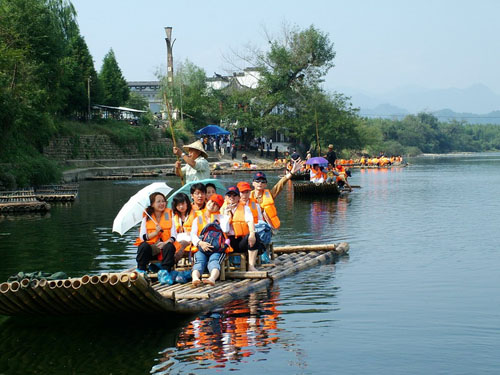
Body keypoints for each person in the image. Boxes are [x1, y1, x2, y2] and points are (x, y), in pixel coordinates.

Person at [190, 194, 228, 286]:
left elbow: (226, 230)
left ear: (219, 207)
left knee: (214, 262)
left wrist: (226, 215)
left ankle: (212, 278)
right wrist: (200, 243)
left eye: (216, 204)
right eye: (211, 201)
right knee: (199, 262)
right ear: (207, 201)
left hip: (217, 249)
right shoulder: (198, 218)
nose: (212, 205)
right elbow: (193, 234)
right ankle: (195, 278)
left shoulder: (223, 218)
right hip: (201, 248)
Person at [134, 192, 177, 274]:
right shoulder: (146, 216)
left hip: (165, 248)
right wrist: (156, 233)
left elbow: (174, 236)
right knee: (143, 246)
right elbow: (142, 237)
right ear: (152, 204)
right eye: (158, 201)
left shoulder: (170, 214)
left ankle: (165, 272)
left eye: (163, 201)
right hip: (152, 248)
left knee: (169, 246)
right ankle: (141, 270)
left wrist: (164, 243)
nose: (162, 204)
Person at [222, 186, 262, 271]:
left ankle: (251, 266)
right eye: (229, 196)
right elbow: (224, 230)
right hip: (227, 241)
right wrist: (226, 214)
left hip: (240, 241)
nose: (232, 198)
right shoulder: (222, 210)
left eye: (234, 195)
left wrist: (252, 234)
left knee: (255, 236)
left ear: (238, 197)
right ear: (226, 197)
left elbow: (250, 221)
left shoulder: (245, 208)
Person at [171, 193, 196, 262]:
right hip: (177, 239)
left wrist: (190, 232)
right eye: (178, 205)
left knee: (182, 244)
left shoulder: (194, 214)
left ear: (187, 203)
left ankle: (172, 261)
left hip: (191, 239)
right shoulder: (173, 216)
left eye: (183, 204)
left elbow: (199, 229)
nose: (181, 206)